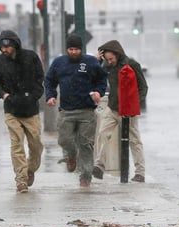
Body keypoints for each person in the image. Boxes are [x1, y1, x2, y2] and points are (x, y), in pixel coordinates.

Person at [45, 34, 107, 187]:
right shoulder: (59, 63)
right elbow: (49, 80)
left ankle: (85, 176)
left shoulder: (91, 62)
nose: (73, 52)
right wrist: (50, 96)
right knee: (64, 140)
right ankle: (71, 156)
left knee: (85, 144)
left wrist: (99, 91)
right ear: (67, 49)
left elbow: (101, 79)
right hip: (66, 111)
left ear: (81, 49)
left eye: (76, 49)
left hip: (87, 110)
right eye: (71, 49)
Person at [0, 30, 44, 193]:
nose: (4, 49)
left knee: (36, 144)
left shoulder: (30, 57)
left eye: (7, 46)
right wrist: (5, 95)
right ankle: (21, 180)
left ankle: (30, 170)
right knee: (16, 145)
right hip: (11, 110)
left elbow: (39, 78)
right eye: (1, 46)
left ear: (15, 44)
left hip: (31, 110)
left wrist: (33, 95)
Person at [93, 40, 148, 183]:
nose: (109, 61)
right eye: (107, 59)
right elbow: (95, 76)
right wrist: (97, 61)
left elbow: (143, 87)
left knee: (134, 140)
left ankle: (140, 172)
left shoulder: (132, 65)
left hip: (128, 110)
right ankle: (99, 165)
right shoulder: (107, 66)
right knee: (102, 134)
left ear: (118, 54)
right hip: (112, 107)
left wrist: (135, 103)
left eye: (111, 59)